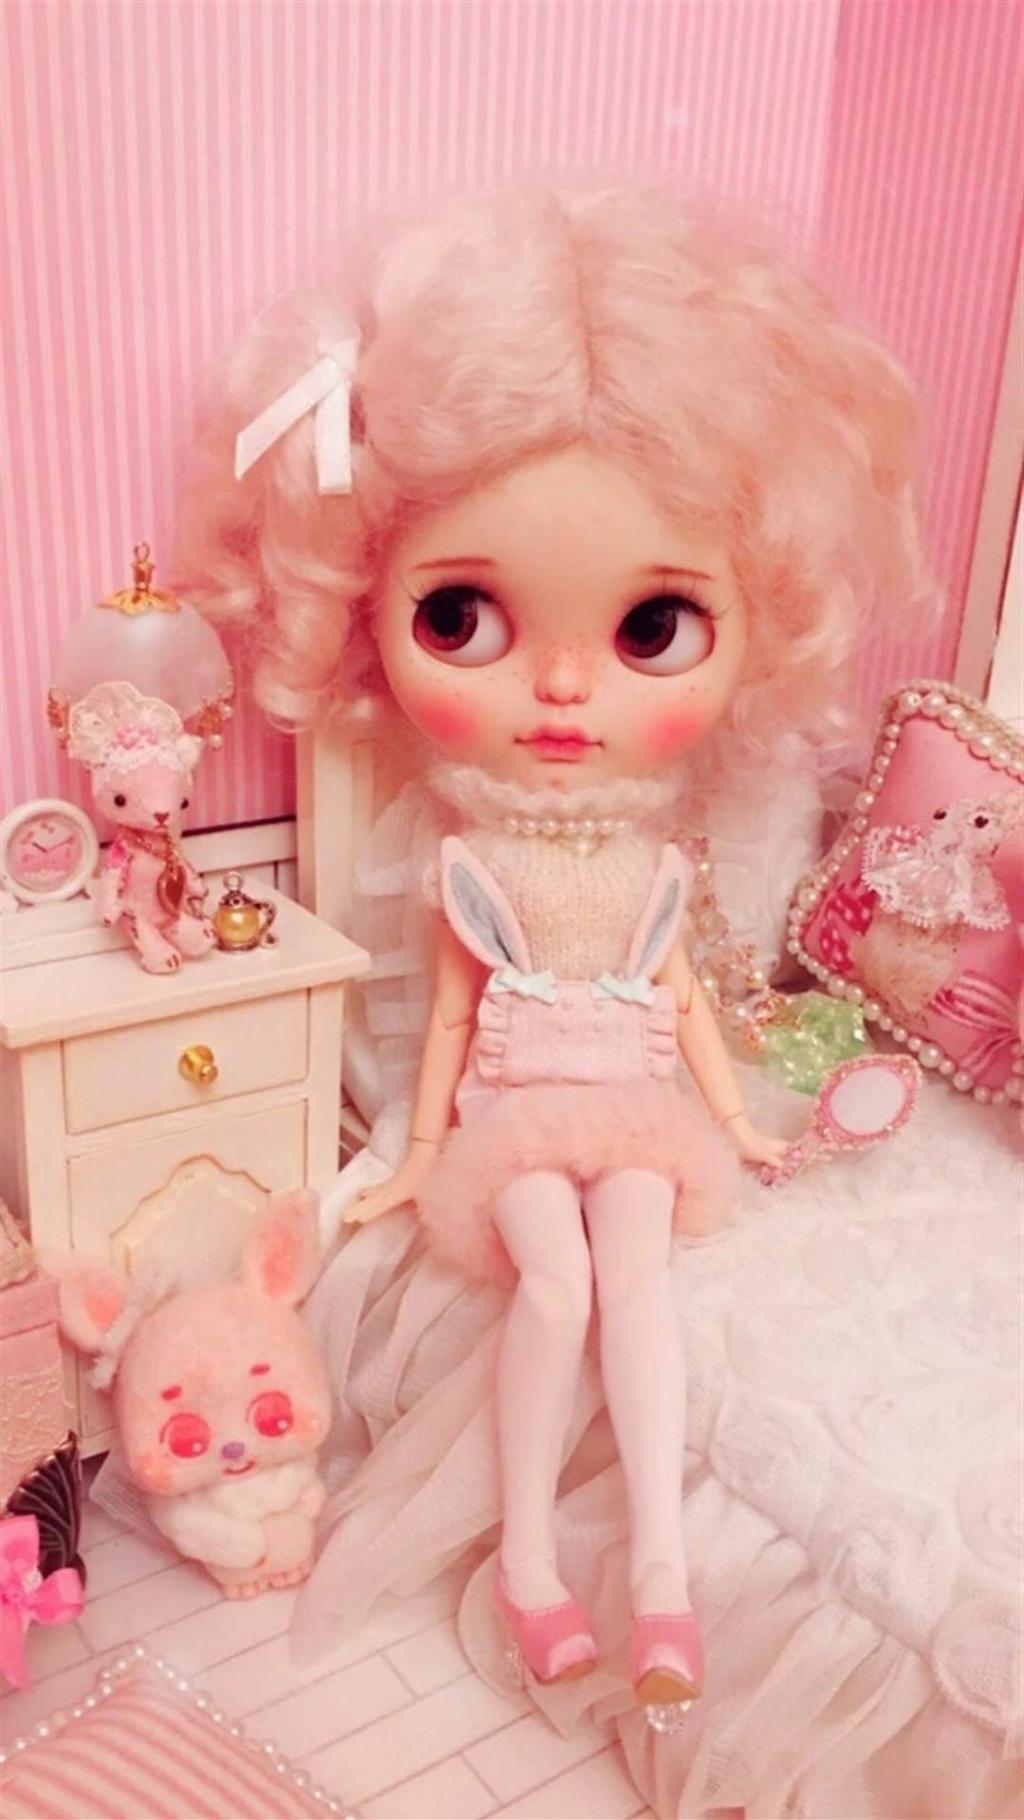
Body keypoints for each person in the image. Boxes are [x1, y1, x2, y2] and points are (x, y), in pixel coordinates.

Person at [180, 187, 929, 1712]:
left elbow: (686, 1000)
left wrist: (738, 1123)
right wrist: (407, 1153)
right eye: (464, 616)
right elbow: (457, 1027)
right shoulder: (469, 866)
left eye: (653, 630)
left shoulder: (656, 859)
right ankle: (529, 1558)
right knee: (561, 1290)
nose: (570, 689)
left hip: (637, 1107)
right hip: (515, 1118)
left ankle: (659, 1575)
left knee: (636, 1280)